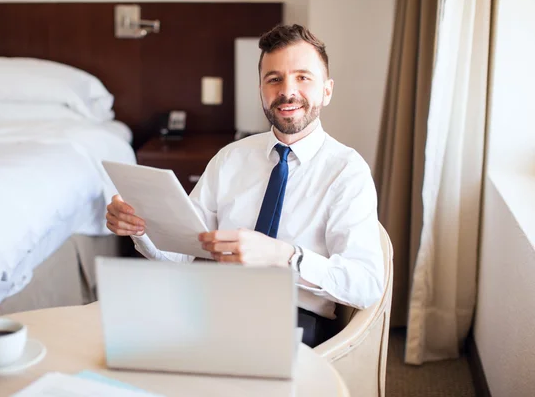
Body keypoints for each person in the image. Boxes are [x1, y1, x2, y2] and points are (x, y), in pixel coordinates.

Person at [106, 24, 384, 347]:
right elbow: (181, 253)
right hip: (212, 303)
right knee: (121, 342)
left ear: (327, 90)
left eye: (303, 77)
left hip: (292, 318)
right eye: (274, 79)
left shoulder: (347, 172)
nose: (287, 91)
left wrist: (286, 256)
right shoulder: (229, 159)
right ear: (262, 90)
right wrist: (141, 228)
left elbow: (366, 284)